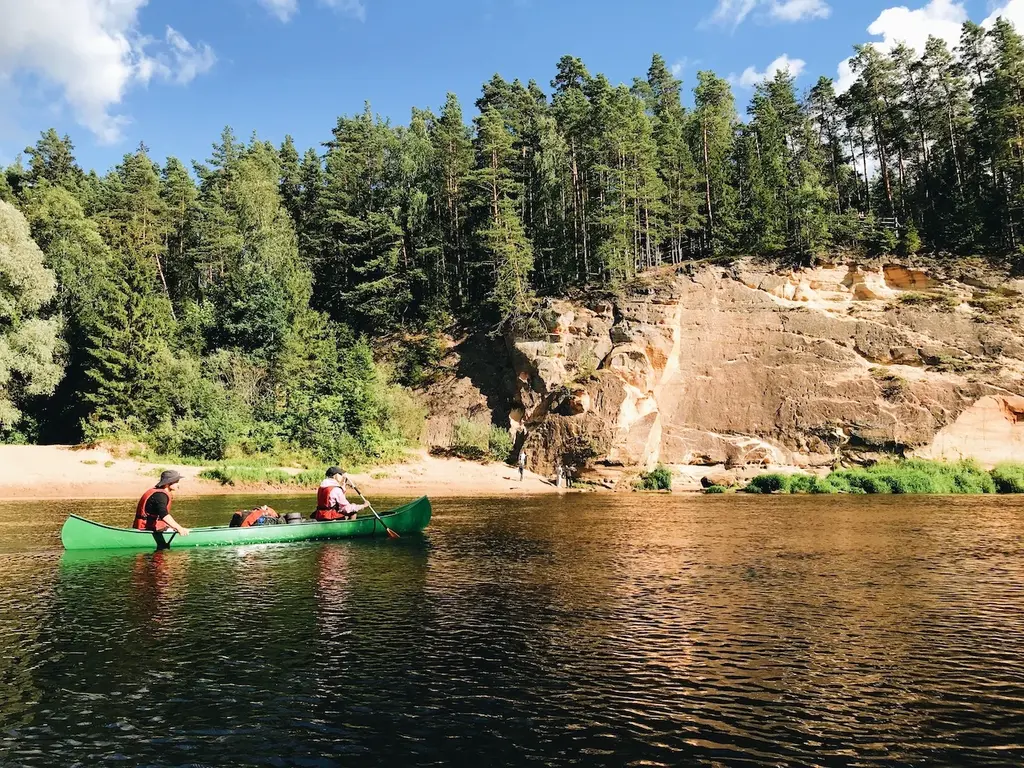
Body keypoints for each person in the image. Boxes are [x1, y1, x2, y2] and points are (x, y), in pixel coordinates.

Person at [133, 470, 190, 535]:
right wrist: (179, 528)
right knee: (178, 529)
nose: (178, 484)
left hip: (150, 528)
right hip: (147, 529)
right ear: (168, 483)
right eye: (176, 482)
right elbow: (164, 515)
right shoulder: (160, 496)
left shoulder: (158, 492)